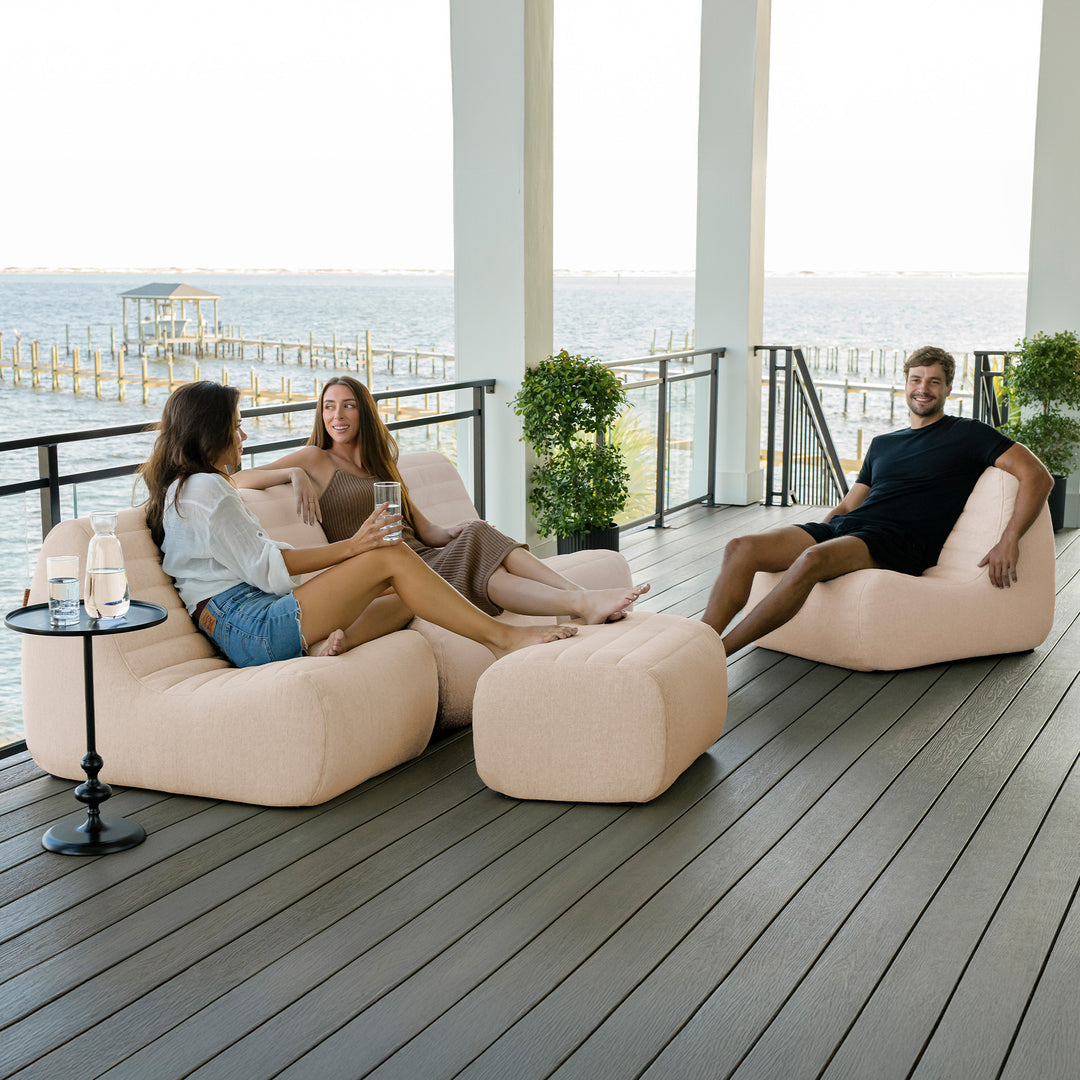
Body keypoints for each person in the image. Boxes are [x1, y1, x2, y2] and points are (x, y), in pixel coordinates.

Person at [140, 381, 578, 667]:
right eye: (236, 427)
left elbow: (248, 559)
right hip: (248, 625)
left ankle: (334, 643)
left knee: (409, 593)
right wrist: (355, 547)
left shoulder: (190, 487)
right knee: (390, 554)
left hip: (238, 621)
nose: (243, 436)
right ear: (210, 431)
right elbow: (267, 567)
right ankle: (502, 638)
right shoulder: (207, 490)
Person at [702, 345, 1054, 657]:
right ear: (905, 384)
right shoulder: (883, 443)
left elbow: (1038, 475)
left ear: (948, 388)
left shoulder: (967, 434)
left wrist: (1010, 539)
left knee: (811, 560)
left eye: (934, 381)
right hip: (852, 528)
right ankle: (697, 642)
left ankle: (716, 656)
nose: (923, 389)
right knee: (740, 547)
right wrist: (823, 530)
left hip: (899, 541)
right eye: (916, 379)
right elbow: (848, 507)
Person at [233, 374, 648, 624]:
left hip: (420, 555)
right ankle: (580, 598)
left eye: (347, 406)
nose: (336, 416)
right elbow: (237, 479)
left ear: (365, 412)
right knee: (482, 554)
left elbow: (425, 530)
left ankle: (579, 599)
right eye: (328, 408)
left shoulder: (384, 463)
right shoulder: (315, 459)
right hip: (384, 571)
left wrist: (451, 530)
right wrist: (291, 473)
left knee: (479, 535)